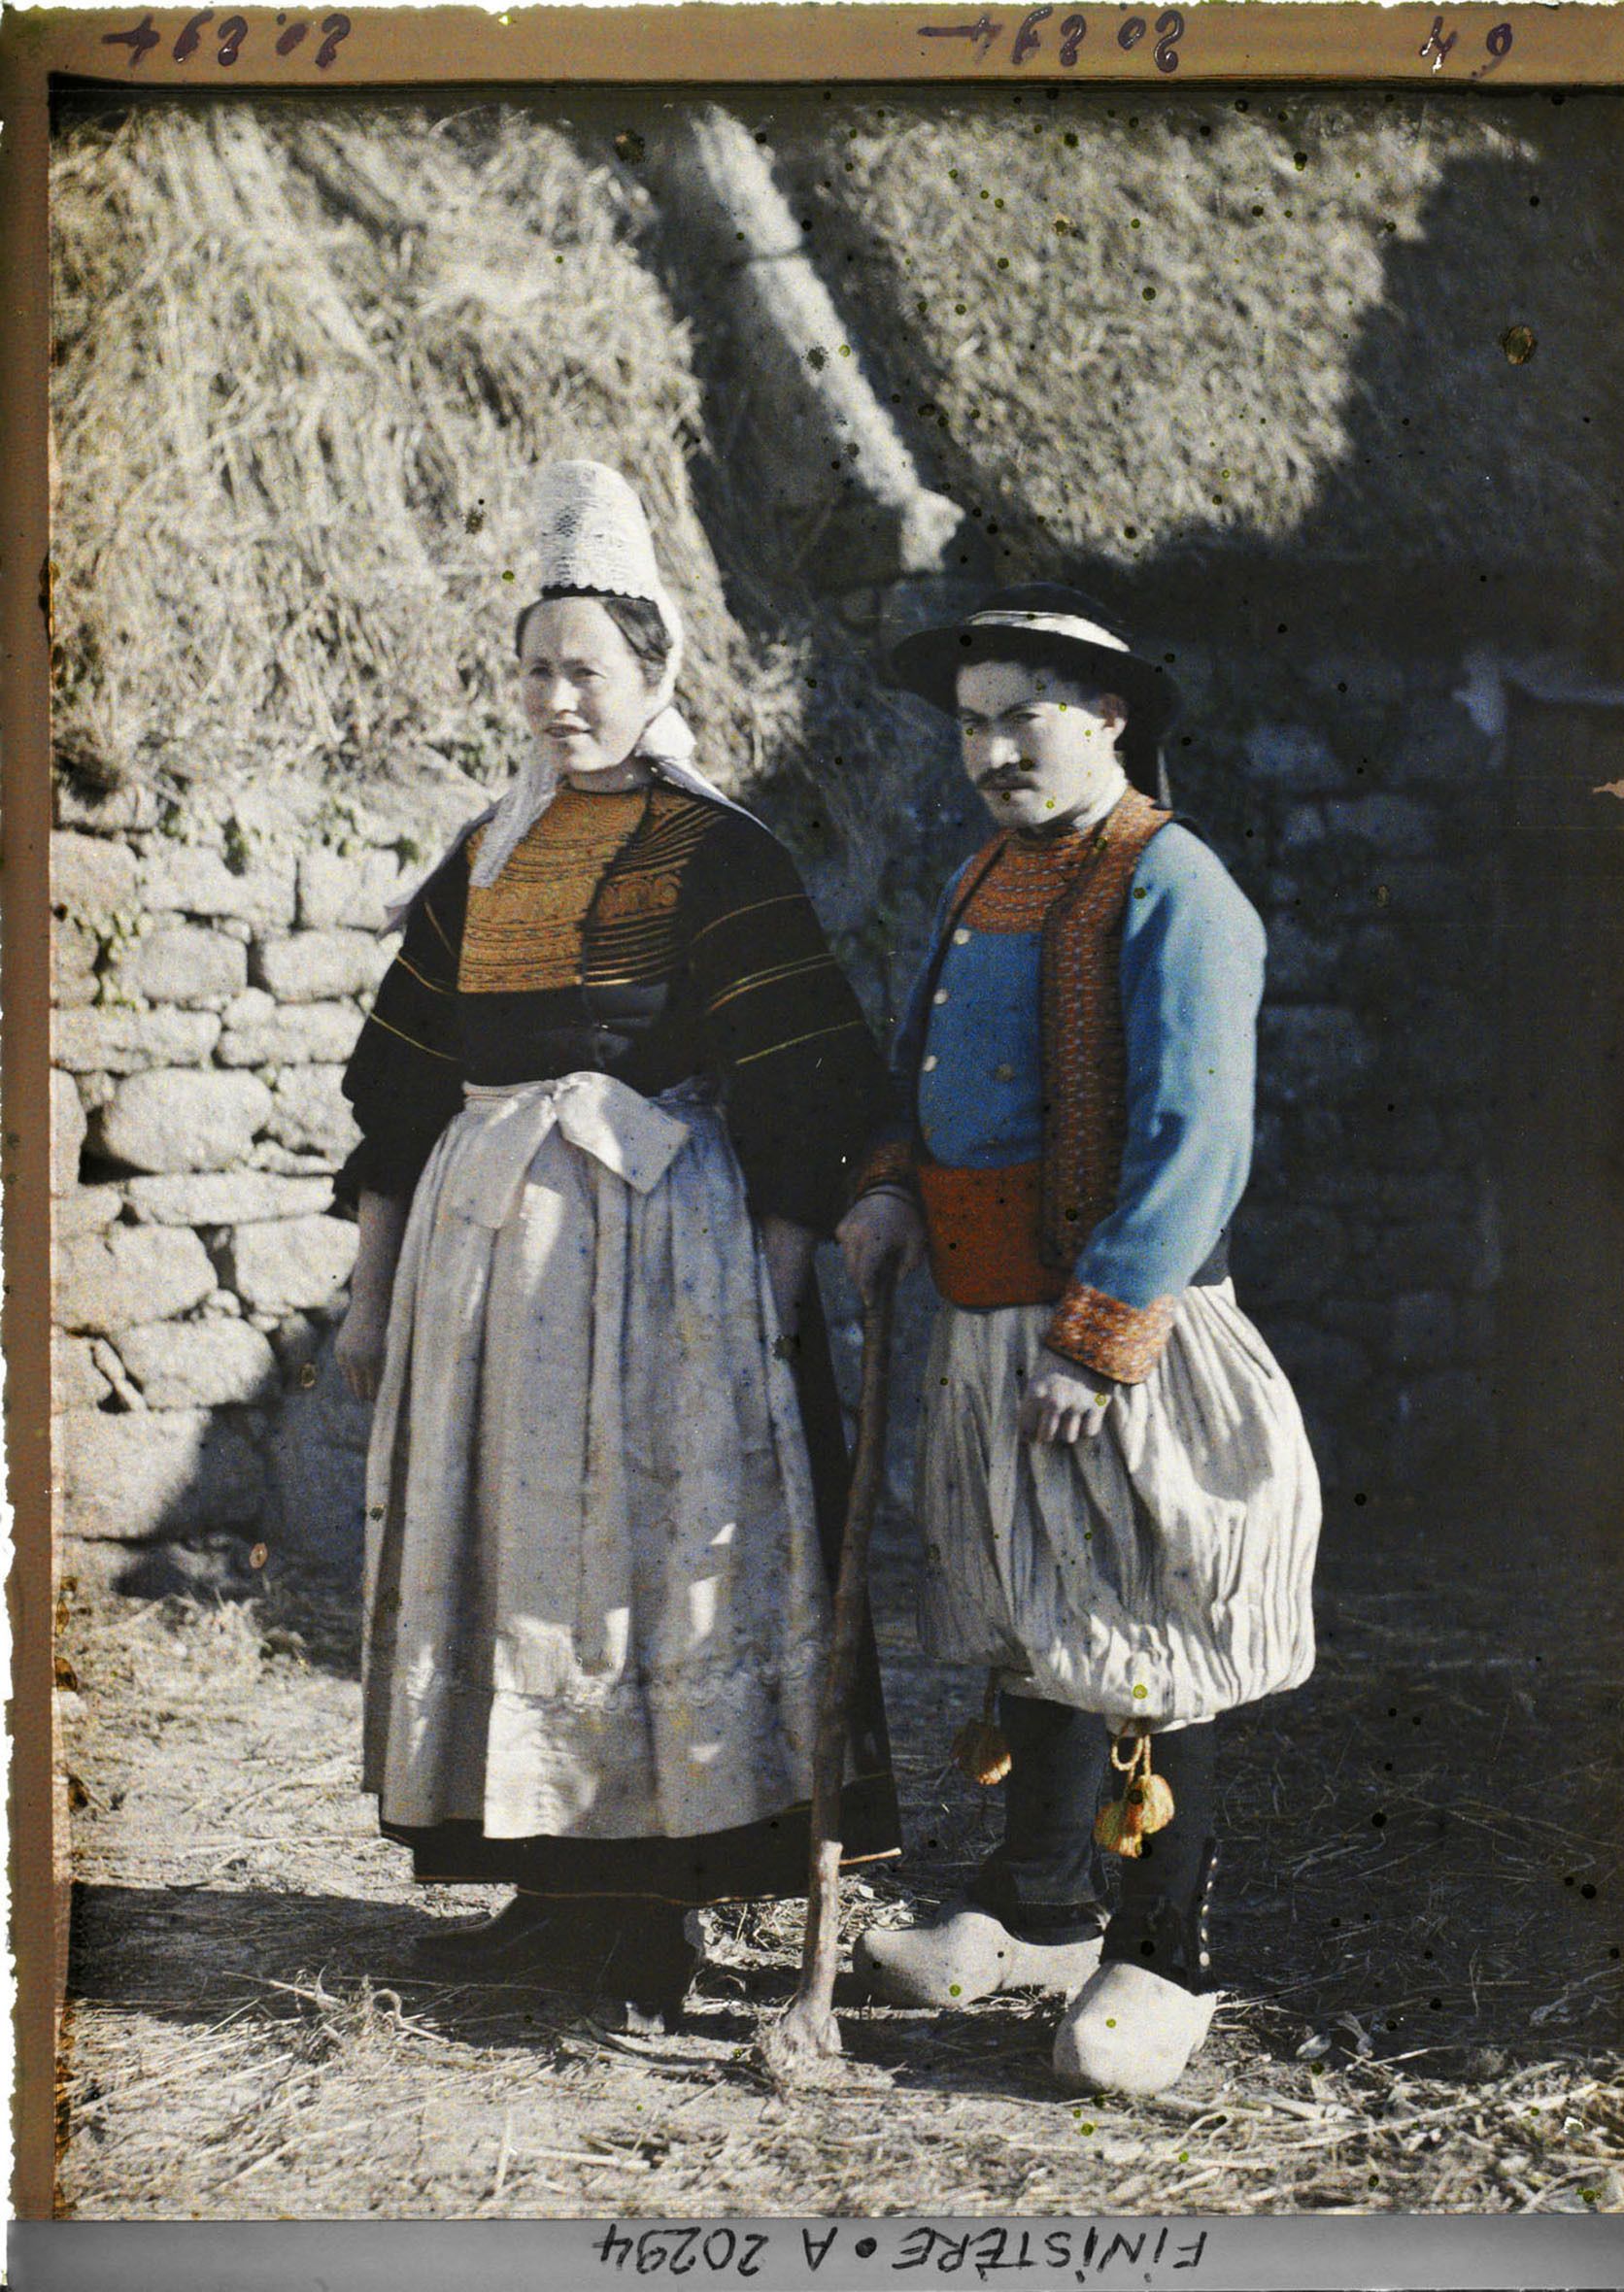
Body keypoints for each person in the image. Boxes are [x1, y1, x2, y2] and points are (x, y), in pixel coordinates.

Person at [334, 460, 900, 2025]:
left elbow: (803, 1084)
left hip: (657, 1269)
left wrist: (769, 1312)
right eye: (533, 670)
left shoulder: (717, 854)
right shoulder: (482, 861)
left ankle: (642, 1919)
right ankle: (548, 1898)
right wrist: (372, 1302)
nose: (554, 698)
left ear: (653, 675)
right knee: (512, 1568)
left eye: (584, 669)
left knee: (625, 1580)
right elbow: (396, 1096)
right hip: (484, 1268)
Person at [837, 583, 1320, 2099]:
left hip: (1121, 1330)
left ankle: (1158, 1954)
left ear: (1106, 718)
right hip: (987, 1318)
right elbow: (939, 1073)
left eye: (1020, 718)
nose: (989, 750)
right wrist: (889, 1195)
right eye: (971, 724)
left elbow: (1198, 1134)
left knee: (1151, 1637)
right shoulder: (984, 872)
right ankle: (1038, 1902)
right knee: (1033, 1613)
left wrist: (1100, 1333)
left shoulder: (1174, 885)